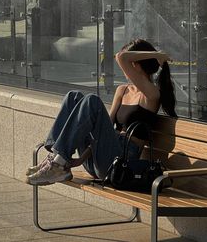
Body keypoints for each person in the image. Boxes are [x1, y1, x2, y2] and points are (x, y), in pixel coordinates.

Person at [26, 39, 177, 186]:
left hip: (121, 164)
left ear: (137, 65)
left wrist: (156, 56)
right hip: (100, 159)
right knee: (74, 96)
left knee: (92, 101)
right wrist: (80, 160)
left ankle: (57, 164)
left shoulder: (152, 95)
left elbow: (121, 57)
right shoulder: (122, 90)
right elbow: (104, 132)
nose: (123, 68)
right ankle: (56, 161)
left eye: (130, 63)